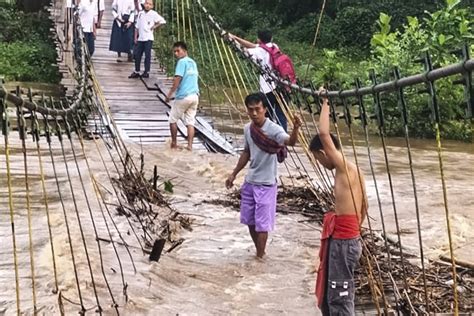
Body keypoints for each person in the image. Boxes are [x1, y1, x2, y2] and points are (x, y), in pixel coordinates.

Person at [311, 88, 367, 315]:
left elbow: (324, 134)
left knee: (338, 296)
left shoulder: (343, 167)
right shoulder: (355, 170)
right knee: (340, 293)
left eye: (318, 158)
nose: (321, 163)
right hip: (350, 238)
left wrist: (325, 101)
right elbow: (365, 207)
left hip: (344, 243)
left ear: (325, 153)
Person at [225, 92, 302, 259]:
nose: (254, 113)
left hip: (266, 184)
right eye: (250, 109)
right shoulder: (248, 129)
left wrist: (295, 128)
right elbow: (246, 152)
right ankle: (260, 253)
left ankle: (259, 258)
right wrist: (234, 174)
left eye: (257, 109)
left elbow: (290, 142)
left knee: (262, 225)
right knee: (250, 221)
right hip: (250, 182)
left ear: (265, 109)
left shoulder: (274, 129)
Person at [228, 30, 288, 132]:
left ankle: (267, 137)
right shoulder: (274, 47)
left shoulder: (257, 51)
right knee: (281, 115)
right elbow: (254, 46)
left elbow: (243, 50)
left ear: (259, 39)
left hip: (267, 89)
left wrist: (231, 39)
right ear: (271, 38)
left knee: (266, 115)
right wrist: (237, 38)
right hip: (281, 87)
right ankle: (282, 138)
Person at [165, 42, 199, 151]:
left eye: (178, 51)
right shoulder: (193, 62)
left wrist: (169, 94)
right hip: (194, 96)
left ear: (185, 51)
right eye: (174, 51)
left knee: (172, 120)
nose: (176, 53)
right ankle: (190, 146)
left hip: (183, 96)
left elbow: (177, 80)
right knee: (190, 122)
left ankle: (174, 144)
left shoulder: (181, 62)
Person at [128, 0, 166, 79]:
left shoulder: (153, 14)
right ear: (144, 4)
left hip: (148, 38)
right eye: (146, 4)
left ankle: (146, 71)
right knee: (137, 55)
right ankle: (137, 71)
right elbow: (137, 26)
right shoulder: (140, 13)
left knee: (147, 55)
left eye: (150, 4)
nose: (148, 5)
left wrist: (154, 26)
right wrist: (135, 37)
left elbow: (162, 21)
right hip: (140, 38)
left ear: (152, 6)